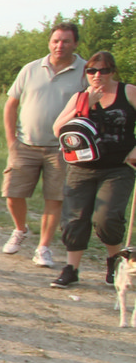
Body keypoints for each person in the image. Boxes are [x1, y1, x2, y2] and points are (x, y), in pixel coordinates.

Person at [48, 50, 136, 288]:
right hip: (81, 167)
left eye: (104, 70)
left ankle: (114, 262)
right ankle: (71, 269)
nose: (97, 75)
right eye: (92, 70)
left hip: (118, 167)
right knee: (74, 218)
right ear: (86, 72)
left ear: (112, 71)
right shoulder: (81, 97)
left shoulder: (128, 92)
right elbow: (58, 129)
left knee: (107, 218)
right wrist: (86, 104)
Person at [2, 22, 86, 266]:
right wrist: (11, 141)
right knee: (12, 193)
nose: (60, 45)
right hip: (25, 144)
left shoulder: (85, 71)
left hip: (62, 149)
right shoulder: (30, 69)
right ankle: (20, 229)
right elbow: (11, 104)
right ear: (49, 42)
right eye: (56, 41)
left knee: (55, 198)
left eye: (66, 41)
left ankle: (43, 248)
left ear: (75, 44)